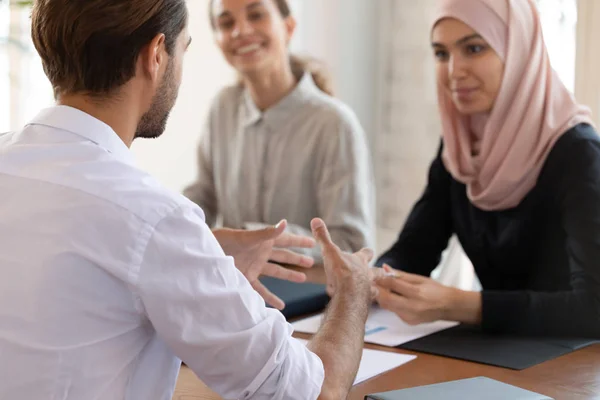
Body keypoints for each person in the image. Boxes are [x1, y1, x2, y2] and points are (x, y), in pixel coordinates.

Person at [0, 1, 375, 399]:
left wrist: (195, 242)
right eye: (185, 49)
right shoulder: (154, 217)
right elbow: (315, 393)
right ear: (156, 55)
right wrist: (355, 287)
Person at [373, 0, 600, 338]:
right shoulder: (460, 147)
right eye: (441, 53)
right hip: (492, 353)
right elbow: (413, 250)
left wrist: (459, 305)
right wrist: (369, 277)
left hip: (570, 371)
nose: (454, 71)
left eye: (474, 48)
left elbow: (592, 309)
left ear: (520, 51)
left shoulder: (577, 152)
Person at [183, 0, 375, 259]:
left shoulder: (335, 124)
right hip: (231, 290)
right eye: (227, 23)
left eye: (256, 15)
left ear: (289, 26)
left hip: (303, 295)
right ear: (218, 40)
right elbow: (200, 200)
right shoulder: (223, 108)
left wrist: (251, 236)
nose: (240, 30)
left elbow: (351, 245)